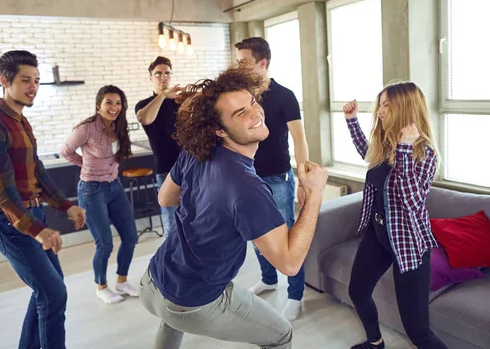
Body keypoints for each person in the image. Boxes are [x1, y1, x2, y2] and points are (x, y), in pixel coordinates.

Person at [139, 68, 328, 349]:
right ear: (219, 129)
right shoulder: (248, 188)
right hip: (192, 302)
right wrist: (314, 195)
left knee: (171, 320)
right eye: (239, 113)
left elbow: (165, 198)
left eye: (252, 101)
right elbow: (289, 263)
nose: (255, 113)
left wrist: (209, 204)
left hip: (154, 282)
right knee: (281, 335)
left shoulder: (195, 151)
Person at [0, 50, 86, 348]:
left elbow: (39, 174)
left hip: (32, 217)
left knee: (48, 292)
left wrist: (67, 205)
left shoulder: (21, 121)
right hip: (9, 223)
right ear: (4, 81)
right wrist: (36, 229)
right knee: (53, 294)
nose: (33, 86)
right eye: (25, 80)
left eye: (36, 80)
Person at [343, 82, 448, 349]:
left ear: (404, 108)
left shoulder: (424, 153)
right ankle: (375, 343)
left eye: (387, 104)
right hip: (378, 235)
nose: (380, 110)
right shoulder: (387, 143)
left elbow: (411, 200)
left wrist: (404, 150)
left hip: (409, 244)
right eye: (381, 103)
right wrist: (352, 121)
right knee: (358, 291)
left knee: (418, 332)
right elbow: (370, 156)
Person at [235, 37, 309, 320]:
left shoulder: (284, 95)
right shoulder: (241, 96)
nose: (239, 67)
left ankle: (295, 295)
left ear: (262, 63)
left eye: (244, 62)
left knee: (287, 237)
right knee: (255, 233)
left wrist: (303, 180)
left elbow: (299, 139)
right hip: (246, 178)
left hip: (278, 178)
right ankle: (268, 279)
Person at [61, 85, 139, 304]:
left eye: (117, 103)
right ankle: (101, 286)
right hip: (91, 190)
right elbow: (66, 151)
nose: (113, 107)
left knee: (131, 237)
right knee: (104, 244)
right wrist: (84, 165)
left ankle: (122, 281)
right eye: (108, 103)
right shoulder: (86, 129)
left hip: (114, 187)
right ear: (98, 105)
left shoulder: (119, 126)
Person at [135, 56, 183, 238]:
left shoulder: (180, 103)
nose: (164, 77)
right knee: (172, 225)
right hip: (166, 173)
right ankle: (172, 264)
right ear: (150, 77)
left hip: (190, 170)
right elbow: (144, 118)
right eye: (158, 74)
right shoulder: (144, 105)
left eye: (167, 73)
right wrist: (163, 95)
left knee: (194, 221)